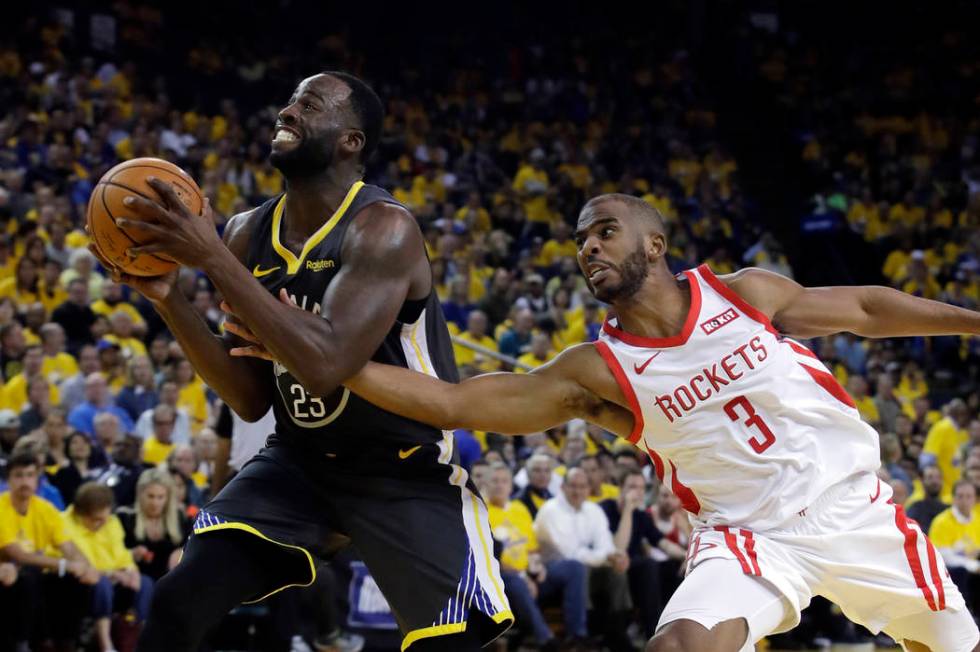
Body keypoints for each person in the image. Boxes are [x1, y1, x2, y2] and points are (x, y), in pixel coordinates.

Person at [328, 194, 980, 650]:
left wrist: (972, 322)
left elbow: (865, 307)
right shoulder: (598, 370)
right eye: (581, 239)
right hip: (751, 537)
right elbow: (453, 404)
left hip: (854, 509)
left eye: (605, 230)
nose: (588, 246)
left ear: (655, 243)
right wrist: (327, 362)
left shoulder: (743, 293)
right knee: (680, 645)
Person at [100, 72, 511, 652]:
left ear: (351, 141)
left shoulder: (383, 228)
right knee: (176, 601)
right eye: (290, 101)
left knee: (452, 643)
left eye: (309, 105)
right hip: (301, 460)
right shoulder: (247, 232)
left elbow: (326, 363)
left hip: (402, 465)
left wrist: (213, 257)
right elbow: (249, 396)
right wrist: (169, 299)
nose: (287, 112)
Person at [0, 453, 99, 648]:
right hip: (8, 573)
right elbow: (15, 554)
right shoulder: (1, 507)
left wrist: (85, 567)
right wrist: (64, 564)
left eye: (30, 475)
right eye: (18, 475)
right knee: (28, 575)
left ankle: (68, 643)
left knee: (77, 580)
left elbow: (68, 546)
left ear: (37, 479)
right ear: (8, 480)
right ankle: (21, 643)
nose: (25, 481)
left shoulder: (45, 509)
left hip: (33, 572)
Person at [486, 462, 586, 651]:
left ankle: (577, 636)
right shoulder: (481, 511)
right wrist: (525, 578)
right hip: (502, 581)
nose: (500, 485)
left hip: (528, 577)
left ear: (510, 485)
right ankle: (546, 640)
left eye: (504, 481)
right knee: (515, 581)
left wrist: (537, 568)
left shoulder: (519, 508)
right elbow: (490, 560)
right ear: (486, 484)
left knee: (574, 567)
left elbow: (532, 549)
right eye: (495, 481)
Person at [534, 467, 633, 652]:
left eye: (582, 486)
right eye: (573, 486)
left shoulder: (593, 509)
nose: (577, 491)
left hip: (584, 567)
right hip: (551, 571)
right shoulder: (550, 511)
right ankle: (579, 636)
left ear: (588, 489)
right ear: (562, 487)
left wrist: (613, 557)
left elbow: (605, 544)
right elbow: (570, 554)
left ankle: (617, 631)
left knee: (617, 572)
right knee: (578, 568)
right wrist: (607, 556)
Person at [64, 482, 154, 652]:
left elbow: (122, 555)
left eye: (104, 518)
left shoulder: (111, 522)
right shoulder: (64, 524)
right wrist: (112, 573)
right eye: (96, 520)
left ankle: (138, 639)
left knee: (145, 583)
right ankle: (106, 644)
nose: (102, 523)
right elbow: (82, 565)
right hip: (78, 581)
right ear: (79, 513)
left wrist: (130, 570)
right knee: (102, 584)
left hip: (114, 577)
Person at [600, 470, 687, 639]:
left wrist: (687, 556)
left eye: (641, 488)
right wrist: (627, 511)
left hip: (634, 567)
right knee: (648, 564)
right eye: (632, 487)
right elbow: (619, 548)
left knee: (672, 567)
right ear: (620, 488)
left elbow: (663, 544)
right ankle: (650, 631)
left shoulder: (640, 515)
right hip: (609, 564)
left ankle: (673, 628)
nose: (637, 492)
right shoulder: (607, 508)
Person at [116, 468, 191, 581]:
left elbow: (193, 545)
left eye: (160, 497)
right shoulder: (125, 517)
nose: (155, 503)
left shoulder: (179, 517)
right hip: (135, 580)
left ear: (168, 497)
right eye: (150, 496)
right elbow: (112, 552)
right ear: (140, 494)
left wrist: (182, 551)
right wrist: (131, 554)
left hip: (170, 581)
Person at [929, 480, 980, 610]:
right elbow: (943, 557)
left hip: (974, 571)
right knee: (962, 573)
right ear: (953, 498)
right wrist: (972, 565)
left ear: (975, 499)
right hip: (951, 574)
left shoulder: (977, 520)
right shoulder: (941, 522)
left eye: (969, 496)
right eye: (960, 496)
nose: (964, 500)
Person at [907, 465, 949, 534]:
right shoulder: (916, 507)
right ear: (922, 480)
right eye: (930, 477)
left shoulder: (948, 508)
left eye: (938, 477)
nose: (935, 481)